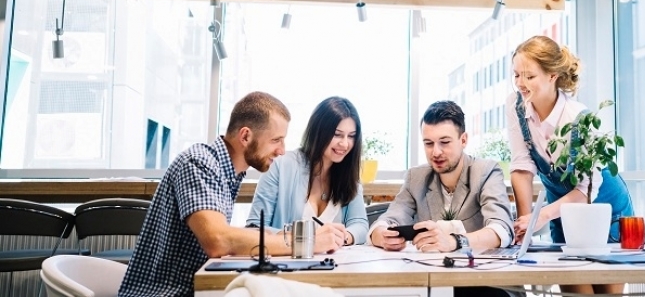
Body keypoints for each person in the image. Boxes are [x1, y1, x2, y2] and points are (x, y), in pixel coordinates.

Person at [118, 91, 292, 297]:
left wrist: (275, 237)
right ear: (245, 136)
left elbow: (220, 234)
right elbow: (218, 240)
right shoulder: (199, 163)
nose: (282, 150)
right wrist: (300, 244)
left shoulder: (227, 172)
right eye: (276, 140)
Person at [506, 36, 634, 295]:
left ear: (552, 76)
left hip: (604, 209)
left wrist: (539, 216)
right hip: (562, 212)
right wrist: (525, 226)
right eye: (516, 75)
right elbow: (522, 166)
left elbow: (587, 191)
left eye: (529, 76)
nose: (521, 83)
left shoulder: (578, 118)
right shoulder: (516, 105)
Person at [369, 100, 516, 297]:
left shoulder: (486, 171)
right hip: (433, 282)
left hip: (484, 283)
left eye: (444, 142)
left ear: (463, 140)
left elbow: (501, 230)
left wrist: (455, 242)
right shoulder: (416, 177)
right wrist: (380, 235)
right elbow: (389, 219)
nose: (435, 152)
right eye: (428, 143)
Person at [246, 96, 367, 252]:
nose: (344, 143)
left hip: (334, 269)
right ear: (318, 132)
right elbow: (254, 228)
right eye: (337, 134)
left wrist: (342, 237)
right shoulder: (281, 165)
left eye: (351, 136)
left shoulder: (348, 175)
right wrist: (310, 238)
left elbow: (360, 225)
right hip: (286, 268)